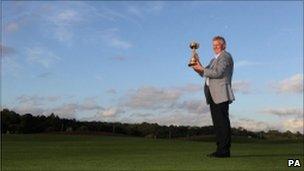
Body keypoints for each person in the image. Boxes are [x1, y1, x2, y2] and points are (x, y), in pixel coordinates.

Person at [191, 36, 235, 158]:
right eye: (213, 45)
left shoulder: (225, 56)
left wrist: (202, 69)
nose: (215, 47)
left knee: (222, 123)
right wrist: (197, 65)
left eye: (217, 44)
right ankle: (220, 150)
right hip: (212, 94)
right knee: (217, 124)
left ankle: (224, 151)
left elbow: (218, 73)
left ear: (224, 46)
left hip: (220, 93)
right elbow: (205, 73)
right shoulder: (213, 60)